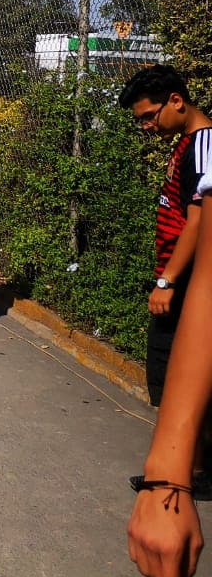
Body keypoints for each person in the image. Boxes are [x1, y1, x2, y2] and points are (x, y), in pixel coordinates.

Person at [122, 67, 212, 482]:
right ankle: (184, 468)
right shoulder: (187, 143)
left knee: (177, 374)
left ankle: (184, 475)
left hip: (188, 281)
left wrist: (168, 280)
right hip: (178, 276)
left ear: (176, 100)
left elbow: (199, 221)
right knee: (169, 372)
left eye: (149, 116)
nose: (146, 126)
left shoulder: (204, 143)